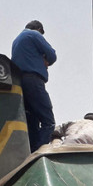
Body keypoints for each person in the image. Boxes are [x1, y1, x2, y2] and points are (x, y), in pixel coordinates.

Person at [11, 20, 57, 152]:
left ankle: (29, 150)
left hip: (19, 82)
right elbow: (52, 56)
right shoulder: (34, 35)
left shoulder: (16, 40)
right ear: (39, 29)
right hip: (34, 80)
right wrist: (45, 59)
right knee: (48, 121)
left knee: (32, 120)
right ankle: (38, 153)